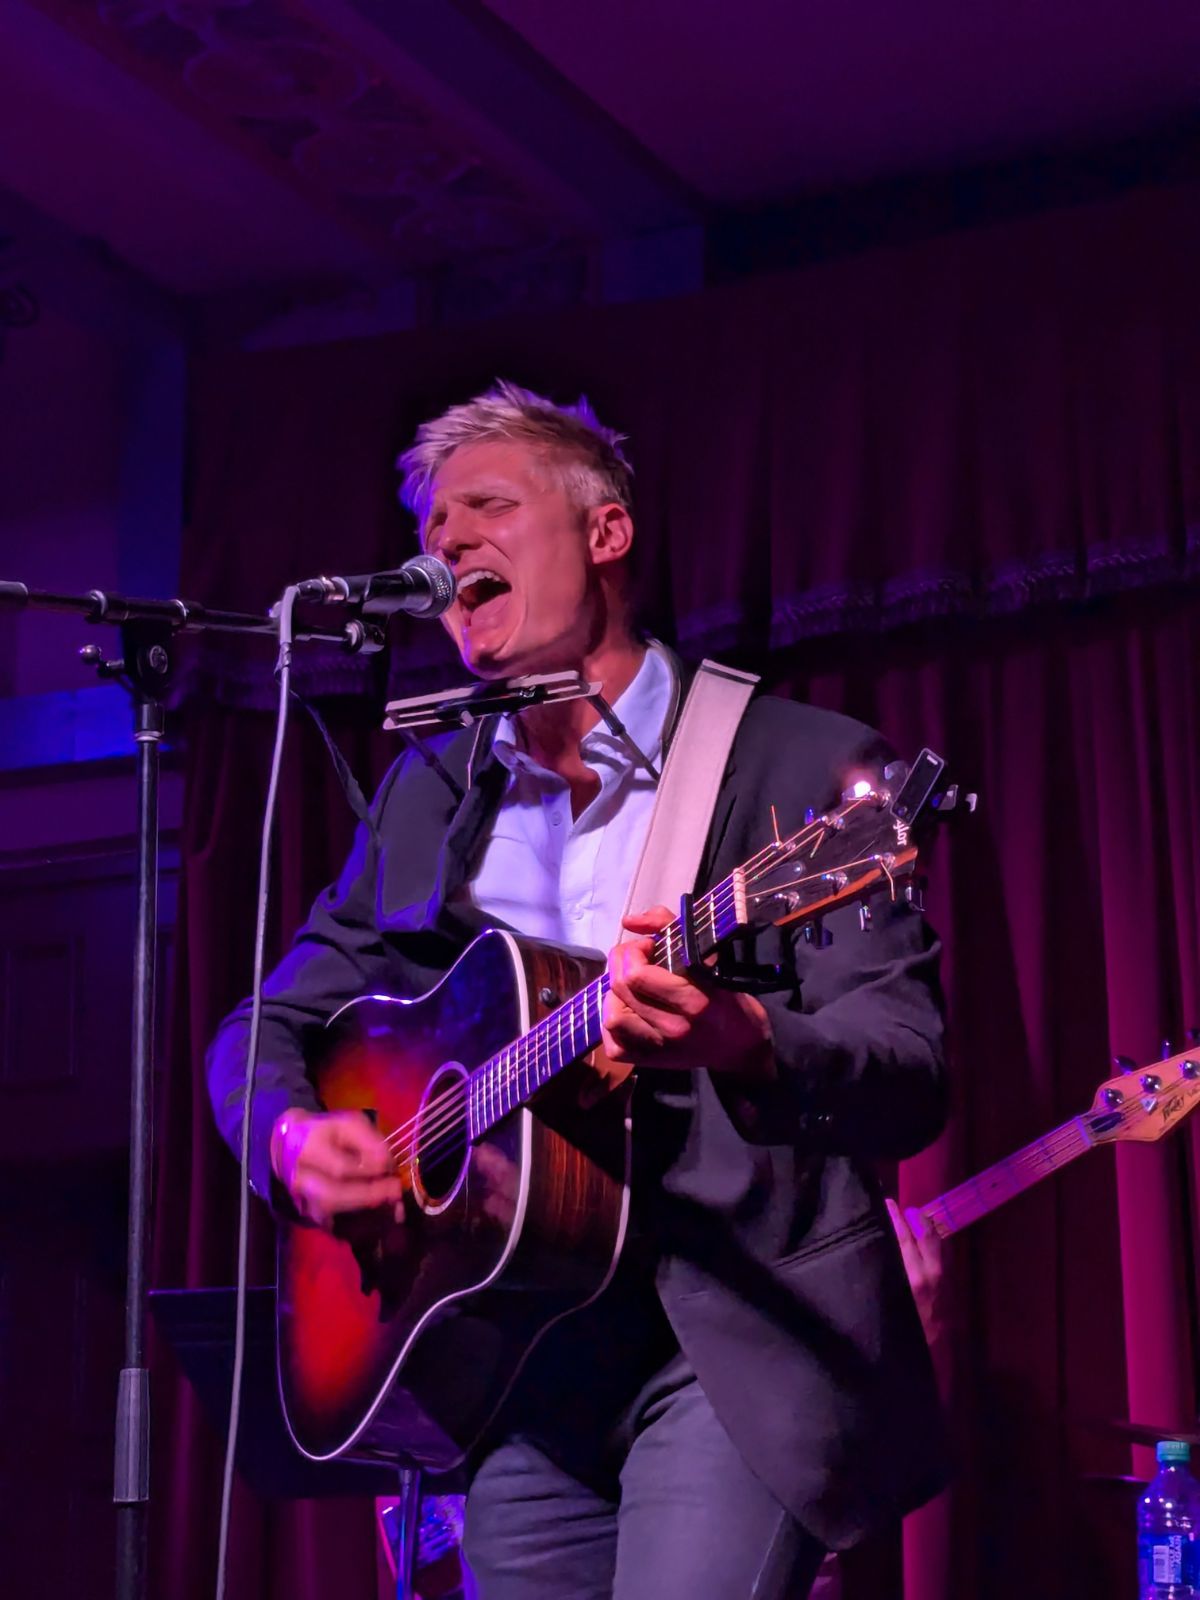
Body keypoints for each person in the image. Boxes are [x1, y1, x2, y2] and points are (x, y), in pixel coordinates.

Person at [207, 381, 950, 1600]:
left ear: (606, 533)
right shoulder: (432, 793)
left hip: (734, 1344)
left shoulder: (796, 765)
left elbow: (908, 1070)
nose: (448, 544)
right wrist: (290, 1138)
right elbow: (266, 1026)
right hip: (520, 1364)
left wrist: (744, 1039)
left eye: (488, 508)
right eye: (433, 527)